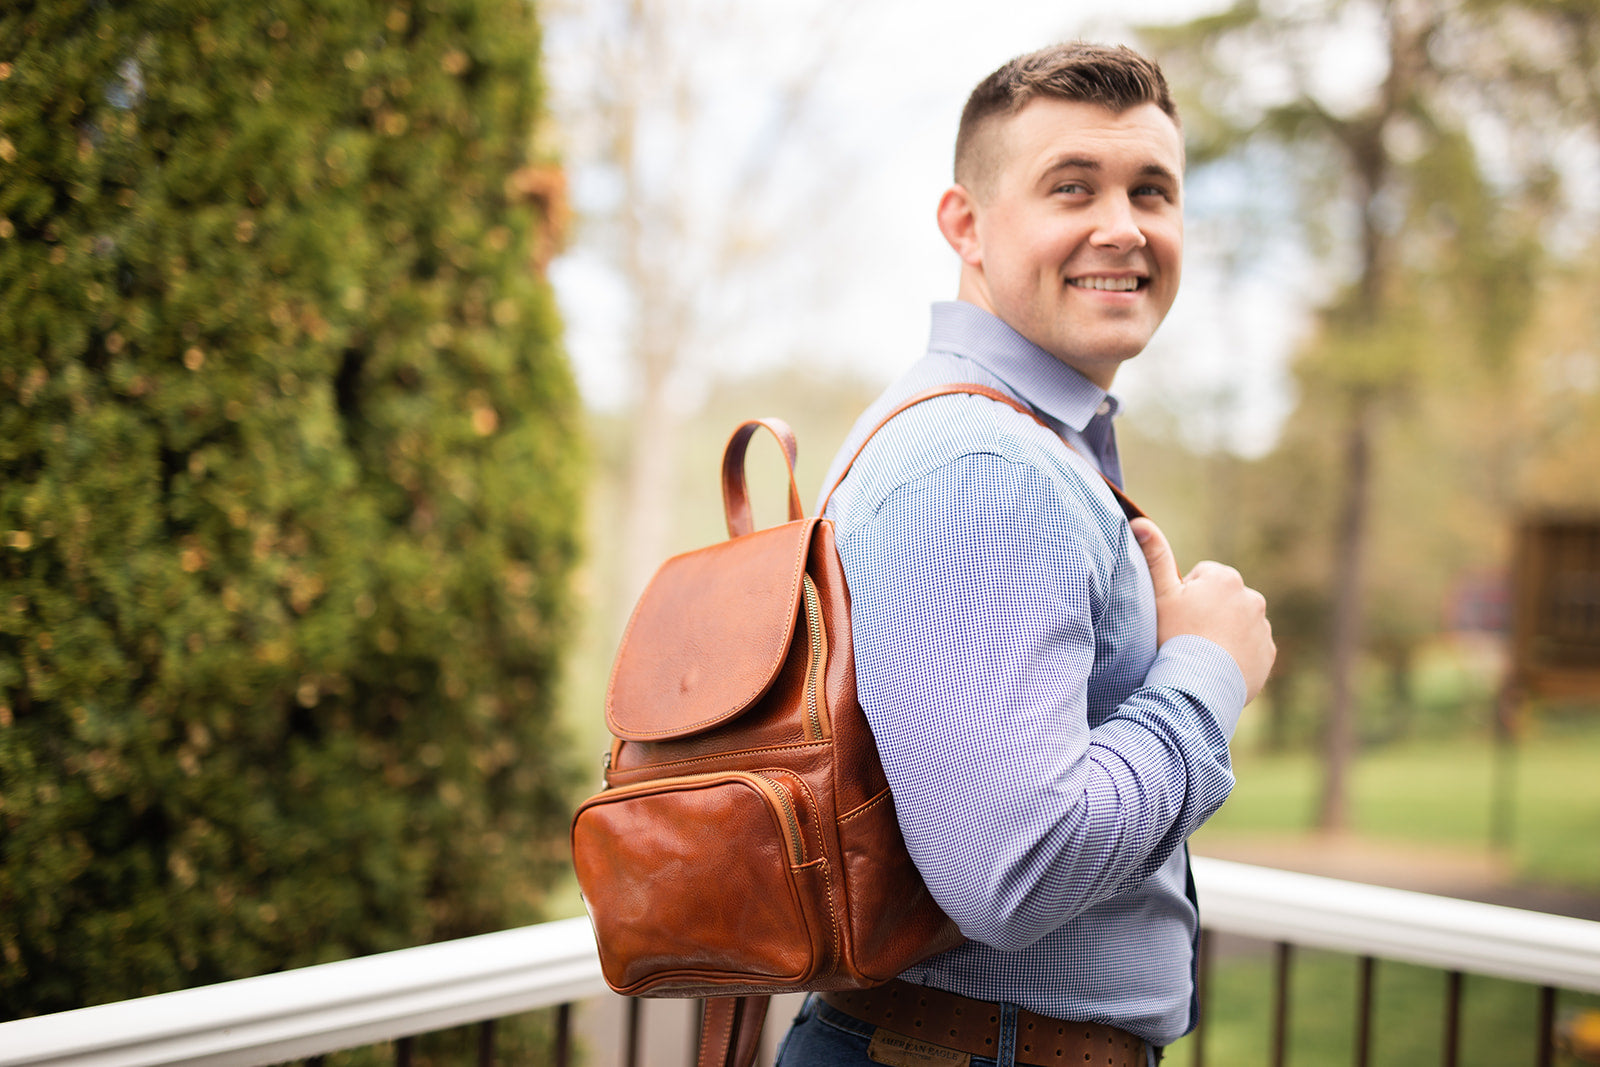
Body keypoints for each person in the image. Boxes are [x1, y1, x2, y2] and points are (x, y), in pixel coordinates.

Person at [776, 42, 1276, 1067]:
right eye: (1071, 188)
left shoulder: (1010, 439)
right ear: (965, 223)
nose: (1123, 227)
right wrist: (1205, 676)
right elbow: (1012, 870)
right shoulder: (979, 458)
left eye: (1152, 190)